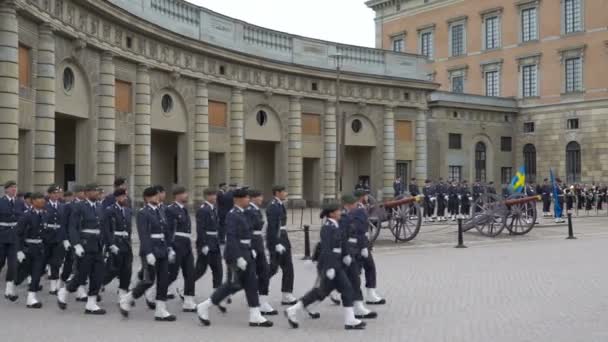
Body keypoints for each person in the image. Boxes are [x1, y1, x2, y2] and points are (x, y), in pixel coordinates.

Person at [196, 188, 273, 328]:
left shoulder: (243, 213)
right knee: (232, 285)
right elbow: (231, 238)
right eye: (246, 198)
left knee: (251, 284)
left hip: (246, 252)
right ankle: (204, 306)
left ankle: (255, 314)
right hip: (236, 255)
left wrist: (250, 250)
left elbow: (247, 234)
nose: (248, 200)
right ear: (238, 200)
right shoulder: (232, 215)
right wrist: (238, 257)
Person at [284, 202, 366, 330]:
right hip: (331, 265)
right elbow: (327, 249)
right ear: (331, 213)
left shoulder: (334, 225)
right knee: (347, 289)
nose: (340, 212)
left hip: (336, 263)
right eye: (338, 210)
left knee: (321, 292)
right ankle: (350, 320)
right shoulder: (327, 228)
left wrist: (346, 255)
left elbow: (341, 241)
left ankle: (293, 310)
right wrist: (330, 267)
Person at [119, 186, 176, 321]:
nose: (157, 197)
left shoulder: (161, 209)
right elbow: (144, 235)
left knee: (163, 280)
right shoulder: (143, 213)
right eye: (154, 196)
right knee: (148, 280)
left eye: (158, 195)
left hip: (162, 248)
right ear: (147, 198)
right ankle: (127, 299)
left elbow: (166, 231)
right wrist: (149, 253)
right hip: (150, 250)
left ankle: (160, 310)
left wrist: (170, 248)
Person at [57, 183, 106, 314]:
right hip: (85, 243)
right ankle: (65, 290)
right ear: (86, 193)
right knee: (82, 274)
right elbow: (72, 226)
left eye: (97, 191)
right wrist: (76, 244)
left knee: (98, 274)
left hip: (97, 244)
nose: (97, 193)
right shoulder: (79, 207)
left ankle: (91, 303)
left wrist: (107, 243)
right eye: (94, 191)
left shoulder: (100, 207)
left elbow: (103, 227)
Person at [341, 193, 379, 317]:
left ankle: (369, 295)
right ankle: (303, 305)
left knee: (369, 267)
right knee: (353, 276)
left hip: (361, 244)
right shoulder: (350, 212)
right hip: (354, 247)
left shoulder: (361, 208)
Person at [245, 189, 276, 315]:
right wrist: (251, 247)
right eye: (259, 197)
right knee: (242, 278)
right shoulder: (249, 211)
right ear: (253, 198)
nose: (261, 199)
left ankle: (263, 302)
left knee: (264, 272)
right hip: (253, 244)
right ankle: (219, 296)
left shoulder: (256, 210)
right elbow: (247, 229)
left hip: (258, 243)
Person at [166, 186, 196, 312]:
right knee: (172, 274)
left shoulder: (184, 209)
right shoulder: (171, 209)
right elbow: (168, 230)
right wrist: (170, 247)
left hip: (186, 244)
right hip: (176, 244)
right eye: (184, 194)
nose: (186, 196)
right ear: (177, 195)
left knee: (190, 273)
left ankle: (188, 301)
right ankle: (153, 291)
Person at [15, 192, 47, 308]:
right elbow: (18, 234)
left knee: (37, 273)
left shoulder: (44, 214)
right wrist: (19, 250)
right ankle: (11, 287)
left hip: (39, 249)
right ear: (33, 202)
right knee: (22, 273)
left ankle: (31, 298)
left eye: (43, 199)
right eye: (39, 199)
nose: (42, 201)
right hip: (28, 248)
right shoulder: (26, 215)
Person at [101, 188, 133, 304]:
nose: (125, 198)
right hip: (116, 242)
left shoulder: (128, 211)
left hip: (126, 243)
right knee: (113, 269)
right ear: (117, 197)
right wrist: (111, 244)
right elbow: (106, 229)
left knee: (127, 269)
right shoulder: (110, 210)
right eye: (123, 197)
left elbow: (129, 228)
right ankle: (100, 283)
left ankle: (123, 293)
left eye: (126, 196)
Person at [267, 185, 296, 305]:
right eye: (284, 191)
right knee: (273, 268)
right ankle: (256, 287)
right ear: (277, 193)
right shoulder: (273, 206)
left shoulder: (279, 204)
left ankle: (286, 294)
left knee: (288, 267)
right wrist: (277, 243)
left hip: (283, 237)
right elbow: (273, 227)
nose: (286, 193)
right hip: (277, 239)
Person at [194, 189, 224, 297]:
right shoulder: (203, 210)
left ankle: (217, 292)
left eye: (215, 195)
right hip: (206, 243)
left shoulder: (213, 209)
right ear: (206, 196)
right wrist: (204, 244)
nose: (215, 197)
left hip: (214, 242)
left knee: (218, 268)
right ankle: (185, 288)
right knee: (200, 270)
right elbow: (200, 229)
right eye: (212, 195)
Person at [0, 180, 26, 302]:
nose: (14, 189)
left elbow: (23, 218)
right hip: (2, 235)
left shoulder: (20, 203)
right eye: (11, 188)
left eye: (15, 187)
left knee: (13, 264)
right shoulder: (1, 202)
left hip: (15, 237)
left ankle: (9, 290)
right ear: (6, 190)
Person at [43, 185, 69, 295]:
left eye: (58, 193)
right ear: (49, 194)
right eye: (54, 193)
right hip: (46, 237)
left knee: (56, 262)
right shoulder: (44, 206)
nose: (56, 195)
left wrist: (65, 237)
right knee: (42, 261)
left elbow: (65, 223)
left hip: (58, 237)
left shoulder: (63, 206)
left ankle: (53, 286)